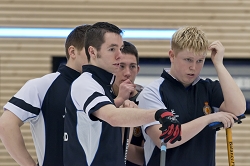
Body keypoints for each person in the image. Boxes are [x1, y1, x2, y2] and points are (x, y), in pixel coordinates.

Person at [63, 22, 181, 166]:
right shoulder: (85, 83)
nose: (119, 55)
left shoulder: (104, 87)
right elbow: (112, 117)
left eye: (121, 48)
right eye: (112, 49)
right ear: (93, 52)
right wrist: (159, 114)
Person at [137, 26, 246, 166]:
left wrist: (219, 64)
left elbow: (238, 109)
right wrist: (209, 118)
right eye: (188, 59)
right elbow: (165, 139)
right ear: (172, 55)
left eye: (200, 61)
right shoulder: (152, 92)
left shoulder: (208, 88)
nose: (194, 67)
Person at [0, 24, 91, 166]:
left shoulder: (103, 90)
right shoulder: (42, 85)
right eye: (90, 52)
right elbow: (6, 124)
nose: (96, 58)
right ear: (72, 52)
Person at [111, 40, 145, 166]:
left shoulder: (146, 100)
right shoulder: (101, 99)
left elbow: (147, 156)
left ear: (138, 69)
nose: (127, 73)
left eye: (132, 66)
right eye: (121, 66)